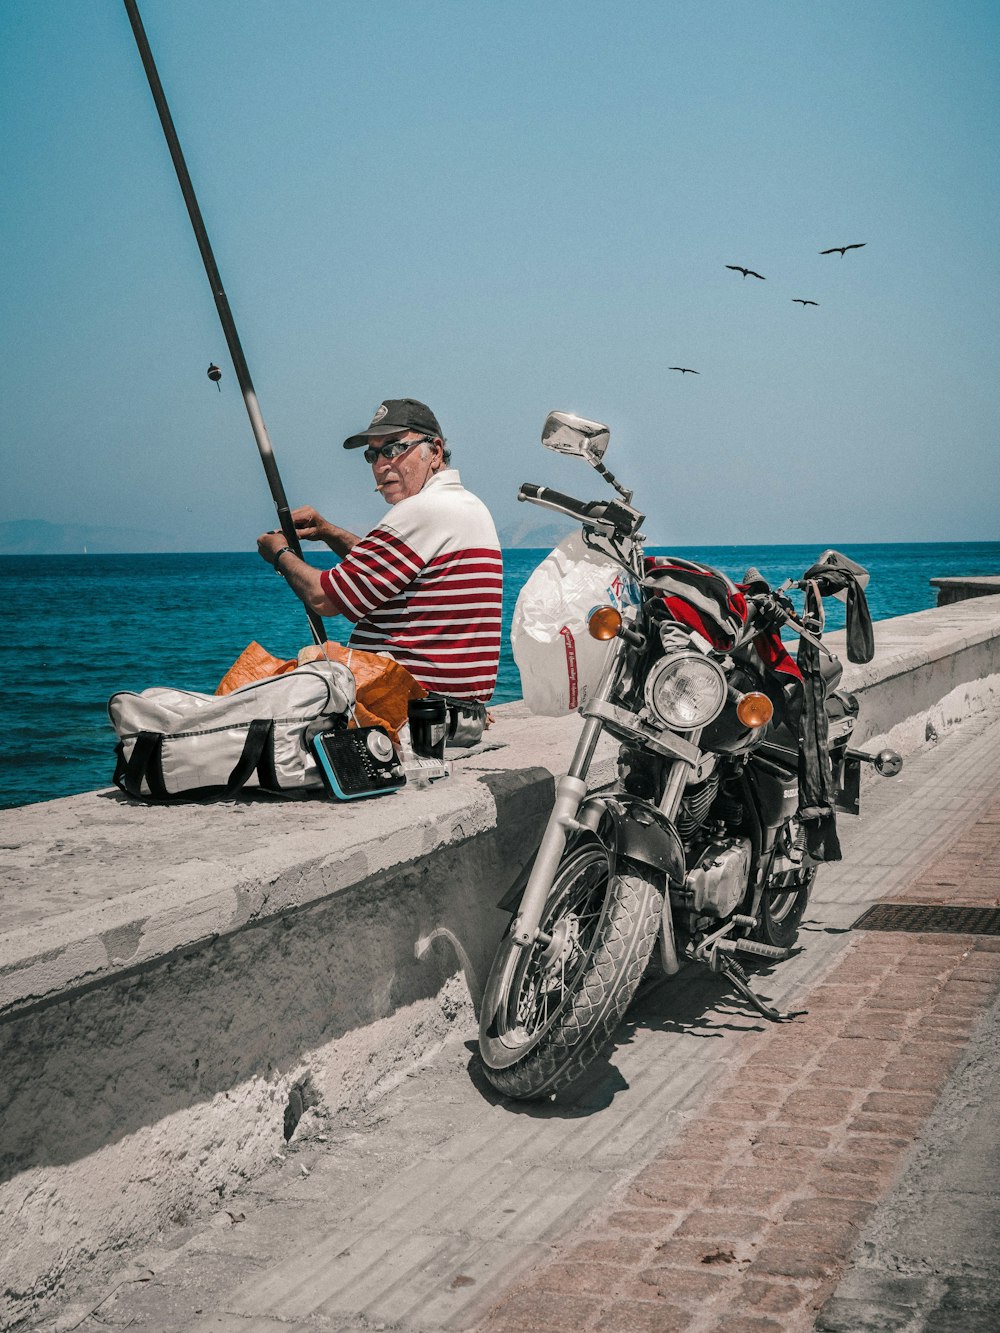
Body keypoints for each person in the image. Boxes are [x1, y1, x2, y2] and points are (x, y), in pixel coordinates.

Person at [257, 398, 502, 705]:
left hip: (411, 711)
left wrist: (279, 554)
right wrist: (329, 532)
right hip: (456, 708)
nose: (380, 464)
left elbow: (324, 598)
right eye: (372, 455)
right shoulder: (467, 505)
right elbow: (388, 574)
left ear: (435, 451)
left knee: (255, 690)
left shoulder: (420, 510)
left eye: (393, 449)